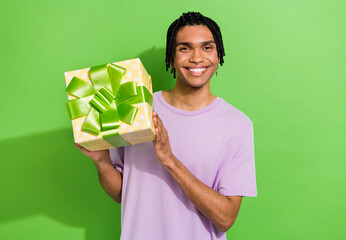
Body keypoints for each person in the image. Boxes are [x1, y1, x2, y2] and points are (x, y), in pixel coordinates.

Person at [76, 12, 257, 240]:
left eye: (207, 47)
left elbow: (226, 219)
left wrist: (169, 160)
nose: (197, 58)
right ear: (171, 58)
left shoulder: (237, 124)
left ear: (218, 54)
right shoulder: (137, 108)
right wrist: (102, 162)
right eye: (185, 48)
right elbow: (123, 194)